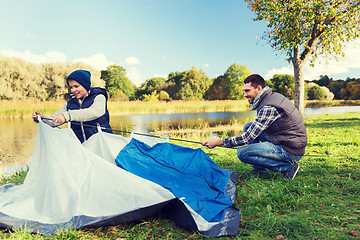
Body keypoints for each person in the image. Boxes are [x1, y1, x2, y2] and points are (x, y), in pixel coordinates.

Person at [202, 74, 307, 179]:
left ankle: (287, 167)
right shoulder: (270, 97)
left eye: (247, 91)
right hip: (283, 140)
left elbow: (247, 138)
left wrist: (219, 142)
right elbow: (252, 132)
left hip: (290, 149)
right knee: (248, 126)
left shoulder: (269, 106)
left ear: (259, 88)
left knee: (243, 153)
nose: (244, 94)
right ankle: (260, 170)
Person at [32, 69, 112, 143]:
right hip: (82, 147)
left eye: (76, 86)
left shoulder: (99, 97)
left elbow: (95, 112)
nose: (73, 90)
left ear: (85, 85)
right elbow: (55, 119)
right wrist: (42, 118)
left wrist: (67, 116)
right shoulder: (70, 103)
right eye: (71, 87)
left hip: (102, 144)